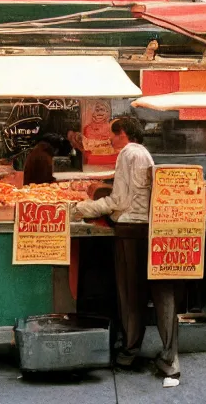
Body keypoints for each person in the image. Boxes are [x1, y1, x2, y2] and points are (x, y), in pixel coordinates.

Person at [73, 117, 181, 388]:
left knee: (131, 294)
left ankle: (129, 353)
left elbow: (119, 201)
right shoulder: (145, 154)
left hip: (130, 231)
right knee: (162, 292)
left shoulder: (127, 153)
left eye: (112, 134)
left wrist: (84, 208)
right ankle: (170, 358)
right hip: (154, 229)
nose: (110, 139)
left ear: (122, 134)